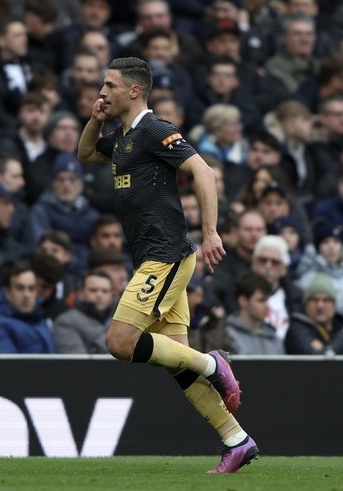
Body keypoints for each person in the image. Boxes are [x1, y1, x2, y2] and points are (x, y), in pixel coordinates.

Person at [77, 57, 257, 473]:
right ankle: (237, 440)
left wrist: (211, 232)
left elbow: (203, 171)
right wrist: (94, 119)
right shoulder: (122, 137)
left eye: (109, 86)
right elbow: (87, 153)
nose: (102, 92)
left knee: (120, 343)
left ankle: (215, 364)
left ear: (134, 91)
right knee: (177, 361)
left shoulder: (153, 129)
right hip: (152, 256)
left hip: (167, 255)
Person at [0, 261, 56, 354]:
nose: (26, 294)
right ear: (7, 293)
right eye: (20, 288)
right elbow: (8, 366)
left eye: (31, 288)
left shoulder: (40, 320)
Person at [285, 273, 343, 356]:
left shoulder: (342, 327)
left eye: (326, 300)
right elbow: (317, 363)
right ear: (305, 304)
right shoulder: (297, 329)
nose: (320, 305)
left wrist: (325, 348)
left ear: (334, 305)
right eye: (314, 300)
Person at [52, 270, 116, 354]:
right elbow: (77, 362)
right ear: (81, 293)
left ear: (112, 294)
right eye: (93, 290)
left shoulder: (117, 321)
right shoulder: (65, 322)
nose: (99, 295)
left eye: (105, 291)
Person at [224, 271, 285, 355]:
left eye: (267, 300)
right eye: (261, 300)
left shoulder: (273, 337)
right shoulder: (226, 334)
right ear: (243, 301)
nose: (267, 306)